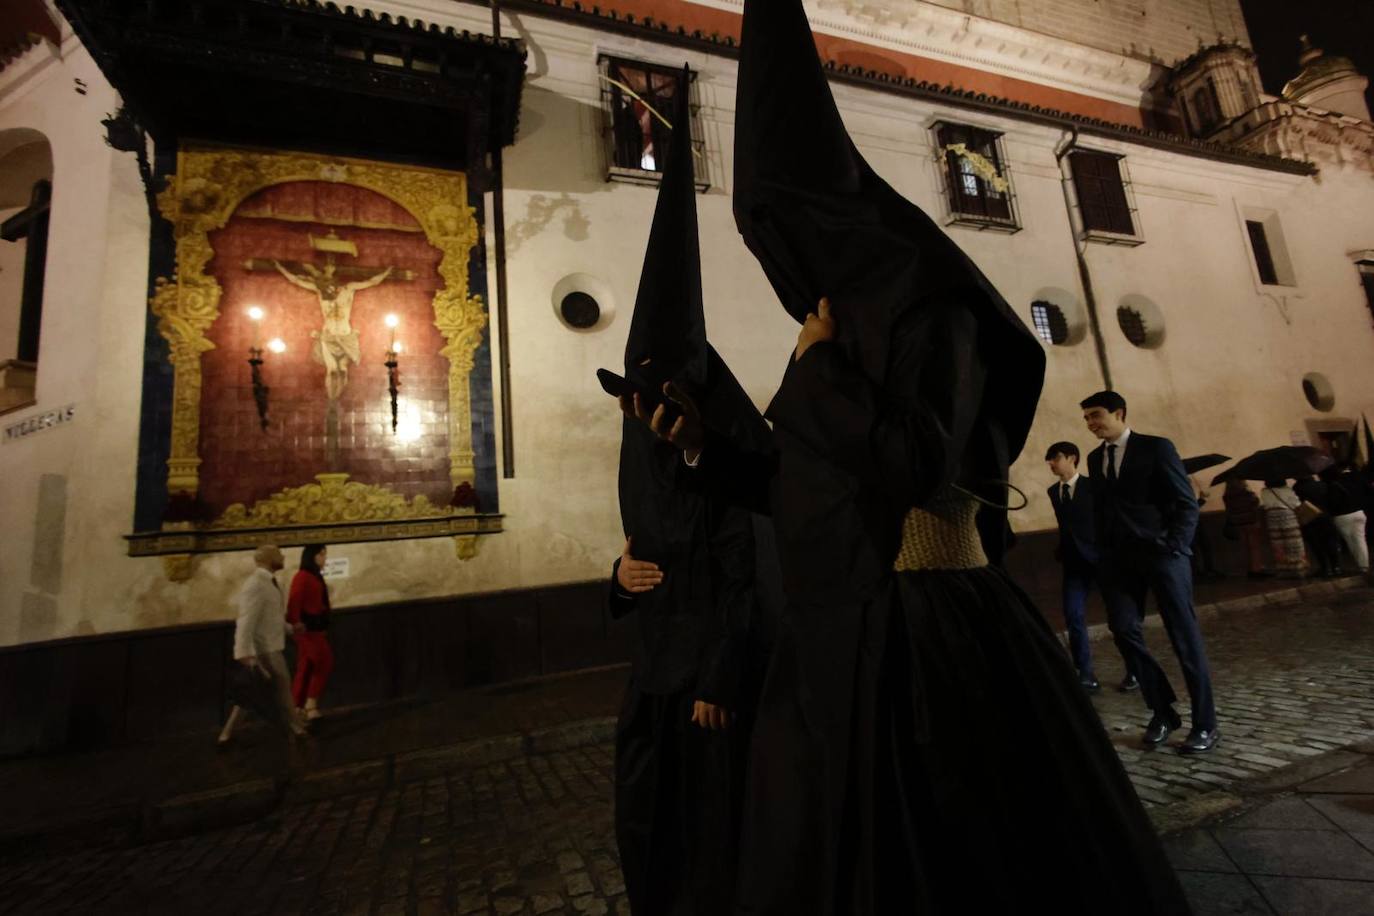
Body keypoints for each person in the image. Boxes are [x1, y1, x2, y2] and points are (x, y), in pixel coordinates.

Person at [619, 1, 1193, 911]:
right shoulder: (827, 331)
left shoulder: (935, 315)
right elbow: (793, 482)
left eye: (788, 235)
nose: (782, 263)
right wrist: (703, 450)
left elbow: (920, 462)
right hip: (829, 642)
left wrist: (814, 375)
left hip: (922, 640)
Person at [1082, 391, 1219, 755]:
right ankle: (1162, 711)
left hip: (1163, 556)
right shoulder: (1096, 459)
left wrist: (1175, 545)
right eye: (1087, 419)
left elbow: (1185, 502)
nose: (1091, 423)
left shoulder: (1156, 447)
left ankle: (1206, 724)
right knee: (1125, 632)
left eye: (1096, 415)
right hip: (1118, 562)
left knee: (1184, 637)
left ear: (1119, 412)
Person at [1045, 441, 1124, 693]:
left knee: (1119, 619)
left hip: (1100, 561)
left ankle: (1134, 670)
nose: (1051, 463)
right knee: (1073, 616)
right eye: (1049, 459)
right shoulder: (1052, 491)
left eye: (1055, 457)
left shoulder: (1093, 487)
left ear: (1072, 458)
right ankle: (1086, 674)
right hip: (1072, 564)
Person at [218, 545, 306, 743]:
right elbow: (245, 620)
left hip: (270, 645)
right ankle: (297, 729)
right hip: (264, 649)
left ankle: (226, 734)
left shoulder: (270, 582)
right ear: (268, 559)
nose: (282, 556)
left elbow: (271, 617)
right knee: (279, 688)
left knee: (252, 694)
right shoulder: (256, 584)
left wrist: (291, 629)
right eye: (278, 554)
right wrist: (243, 653)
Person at [288, 543, 334, 721]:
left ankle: (296, 707)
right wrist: (296, 623)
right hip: (308, 630)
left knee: (306, 667)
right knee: (324, 662)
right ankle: (311, 704)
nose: (325, 558)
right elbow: (294, 602)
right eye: (322, 554)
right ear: (312, 556)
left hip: (316, 628)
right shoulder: (303, 577)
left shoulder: (315, 577)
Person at [1318, 466, 1369, 574]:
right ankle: (1364, 565)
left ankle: (1362, 567)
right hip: (1358, 512)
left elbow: (1333, 504)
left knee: (1351, 542)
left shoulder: (1331, 487)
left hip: (1343, 516)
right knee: (1360, 540)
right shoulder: (1348, 482)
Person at [1293, 475, 1345, 578]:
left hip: (1310, 519)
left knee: (1316, 545)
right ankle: (1336, 567)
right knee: (1330, 542)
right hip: (1325, 516)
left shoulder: (1297, 488)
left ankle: (1325, 568)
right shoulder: (1322, 485)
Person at [1260, 479, 1308, 578]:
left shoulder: (1264, 491)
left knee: (1278, 544)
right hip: (1287, 516)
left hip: (1272, 517)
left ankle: (1283, 568)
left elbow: (1265, 505)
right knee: (1293, 542)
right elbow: (1296, 503)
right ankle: (1298, 567)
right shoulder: (1287, 490)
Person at [1222, 478, 1269, 578]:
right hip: (1251, 521)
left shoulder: (1227, 496)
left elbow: (1229, 510)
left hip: (1238, 523)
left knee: (1244, 547)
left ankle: (1248, 569)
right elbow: (1255, 503)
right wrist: (1253, 495)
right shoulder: (1247, 494)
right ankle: (1257, 569)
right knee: (1254, 547)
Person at [1189, 475, 1223, 580]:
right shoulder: (1182, 494)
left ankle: (1205, 570)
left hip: (1195, 522)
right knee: (1198, 548)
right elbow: (1190, 508)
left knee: (1203, 546)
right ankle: (1201, 572)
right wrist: (1202, 499)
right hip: (1192, 523)